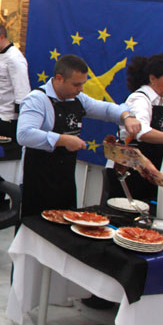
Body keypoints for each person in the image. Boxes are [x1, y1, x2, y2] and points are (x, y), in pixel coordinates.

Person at [17, 55, 141, 217]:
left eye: (82, 84)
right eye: (76, 84)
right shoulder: (37, 100)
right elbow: (24, 135)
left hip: (65, 176)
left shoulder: (78, 99)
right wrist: (62, 140)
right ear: (59, 79)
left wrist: (126, 116)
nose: (81, 89)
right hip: (38, 178)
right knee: (36, 227)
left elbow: (106, 109)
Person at [109, 54, 163, 203]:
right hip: (131, 175)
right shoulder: (139, 100)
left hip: (149, 174)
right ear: (152, 78)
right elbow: (142, 132)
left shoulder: (160, 102)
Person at [0, 22, 29, 140]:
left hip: (7, 118)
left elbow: (22, 91)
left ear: (1, 37)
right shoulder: (0, 55)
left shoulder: (15, 58)